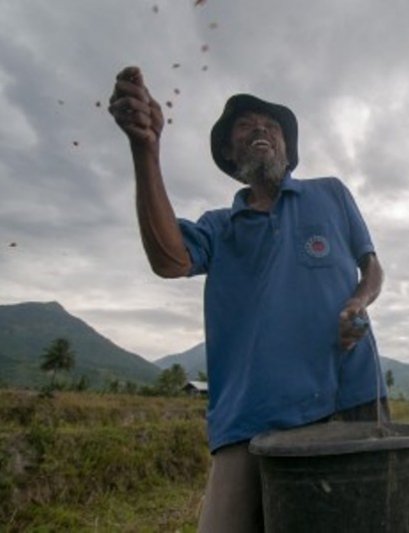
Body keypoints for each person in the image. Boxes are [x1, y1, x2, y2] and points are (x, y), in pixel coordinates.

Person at [108, 66, 389, 532]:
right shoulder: (219, 226)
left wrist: (359, 301)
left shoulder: (331, 194)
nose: (260, 128)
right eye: (245, 125)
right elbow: (167, 259)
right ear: (228, 152)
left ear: (286, 147)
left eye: (271, 124)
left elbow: (373, 268)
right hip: (250, 416)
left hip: (350, 399)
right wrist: (146, 149)